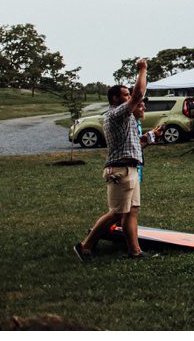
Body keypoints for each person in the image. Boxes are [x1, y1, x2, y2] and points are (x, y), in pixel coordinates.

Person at [74, 58, 149, 261]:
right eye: (125, 95)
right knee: (116, 213)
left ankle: (135, 251)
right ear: (115, 99)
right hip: (119, 171)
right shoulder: (115, 114)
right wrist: (142, 69)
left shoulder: (127, 118)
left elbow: (130, 143)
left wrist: (144, 140)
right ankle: (85, 246)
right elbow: (139, 94)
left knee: (131, 212)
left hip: (131, 168)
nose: (130, 98)